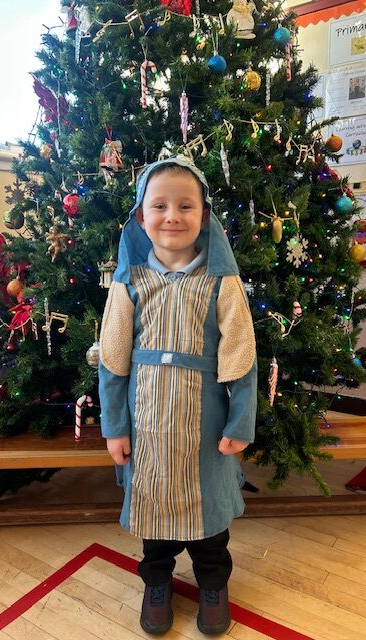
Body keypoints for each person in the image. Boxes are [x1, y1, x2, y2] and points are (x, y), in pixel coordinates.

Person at [99, 155, 257, 635]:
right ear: (141, 216)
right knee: (155, 519)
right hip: (146, 426)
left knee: (210, 522)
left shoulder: (221, 282)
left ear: (203, 216)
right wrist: (114, 427)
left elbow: (240, 355)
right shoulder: (129, 282)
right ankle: (157, 583)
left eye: (185, 206)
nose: (172, 216)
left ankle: (213, 585)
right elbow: (113, 360)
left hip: (204, 430)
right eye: (160, 206)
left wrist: (240, 422)